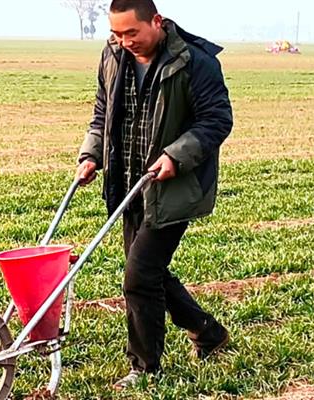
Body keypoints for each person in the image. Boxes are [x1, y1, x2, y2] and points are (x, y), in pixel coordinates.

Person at [75, 0, 233, 390]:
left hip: (173, 188)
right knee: (149, 273)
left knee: (139, 276)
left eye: (133, 33)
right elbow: (102, 112)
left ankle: (145, 368)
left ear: (157, 22)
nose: (125, 41)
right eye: (117, 34)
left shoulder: (195, 62)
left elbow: (217, 120)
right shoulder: (113, 55)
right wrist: (91, 153)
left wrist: (175, 157)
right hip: (128, 185)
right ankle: (207, 332)